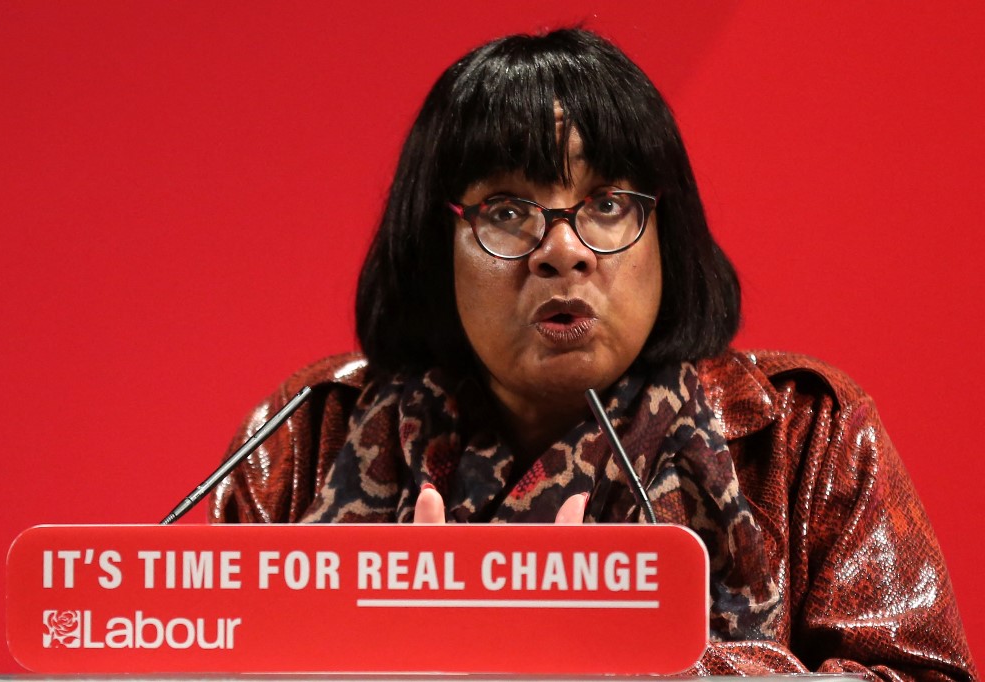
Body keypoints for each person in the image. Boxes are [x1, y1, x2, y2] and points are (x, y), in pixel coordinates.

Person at [209, 29, 977, 679]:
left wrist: (645, 663)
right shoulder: (309, 433)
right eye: (506, 210)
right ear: (433, 247)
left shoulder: (803, 434)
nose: (563, 250)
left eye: (607, 204)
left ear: (667, 233)